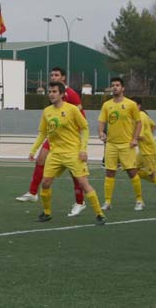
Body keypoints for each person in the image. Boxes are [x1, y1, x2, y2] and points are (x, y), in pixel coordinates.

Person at [31, 82, 106, 225]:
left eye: (54, 91)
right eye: (50, 91)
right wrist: (33, 150)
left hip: (73, 153)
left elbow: (84, 128)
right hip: (55, 154)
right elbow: (43, 133)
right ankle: (47, 213)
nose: (51, 94)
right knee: (45, 183)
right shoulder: (47, 111)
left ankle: (99, 214)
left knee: (84, 184)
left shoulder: (72, 109)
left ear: (62, 94)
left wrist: (83, 149)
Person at [16, 67, 87, 218]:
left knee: (75, 172)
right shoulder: (52, 95)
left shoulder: (72, 95)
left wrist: (82, 144)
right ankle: (33, 192)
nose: (53, 77)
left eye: (56, 75)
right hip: (55, 136)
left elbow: (82, 119)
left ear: (63, 78)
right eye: (52, 75)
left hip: (70, 139)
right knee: (41, 158)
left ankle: (80, 202)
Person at [98, 77, 143, 211]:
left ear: (123, 88)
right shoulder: (107, 105)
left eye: (117, 85)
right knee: (109, 173)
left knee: (132, 172)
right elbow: (101, 121)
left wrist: (135, 139)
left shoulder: (131, 104)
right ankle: (107, 202)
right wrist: (101, 132)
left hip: (126, 145)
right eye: (113, 85)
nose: (115, 87)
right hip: (111, 144)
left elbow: (138, 122)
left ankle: (139, 200)